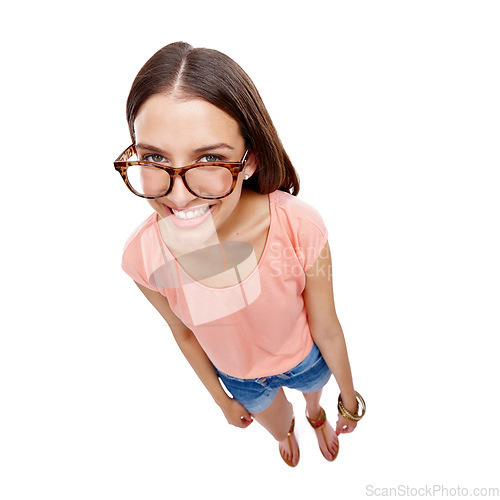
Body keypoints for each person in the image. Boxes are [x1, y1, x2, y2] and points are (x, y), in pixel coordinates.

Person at [114, 41, 365, 467]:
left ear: (250, 159)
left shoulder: (301, 226)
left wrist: (346, 396)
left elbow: (326, 322)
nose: (179, 194)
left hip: (305, 359)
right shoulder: (142, 258)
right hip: (242, 380)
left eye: (210, 157)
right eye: (155, 157)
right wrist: (221, 401)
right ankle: (287, 429)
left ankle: (314, 412)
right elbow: (185, 334)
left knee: (311, 395)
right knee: (277, 423)